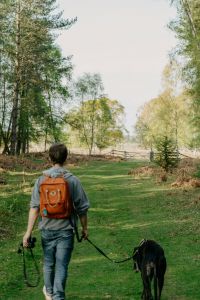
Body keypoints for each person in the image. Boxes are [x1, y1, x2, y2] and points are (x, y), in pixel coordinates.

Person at [23, 143, 90, 300]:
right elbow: (82, 208)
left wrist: (28, 232)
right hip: (66, 230)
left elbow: (34, 208)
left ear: (49, 158)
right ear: (66, 158)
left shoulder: (41, 180)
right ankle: (58, 296)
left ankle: (50, 294)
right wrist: (85, 228)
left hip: (46, 229)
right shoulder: (72, 180)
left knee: (48, 263)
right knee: (61, 266)